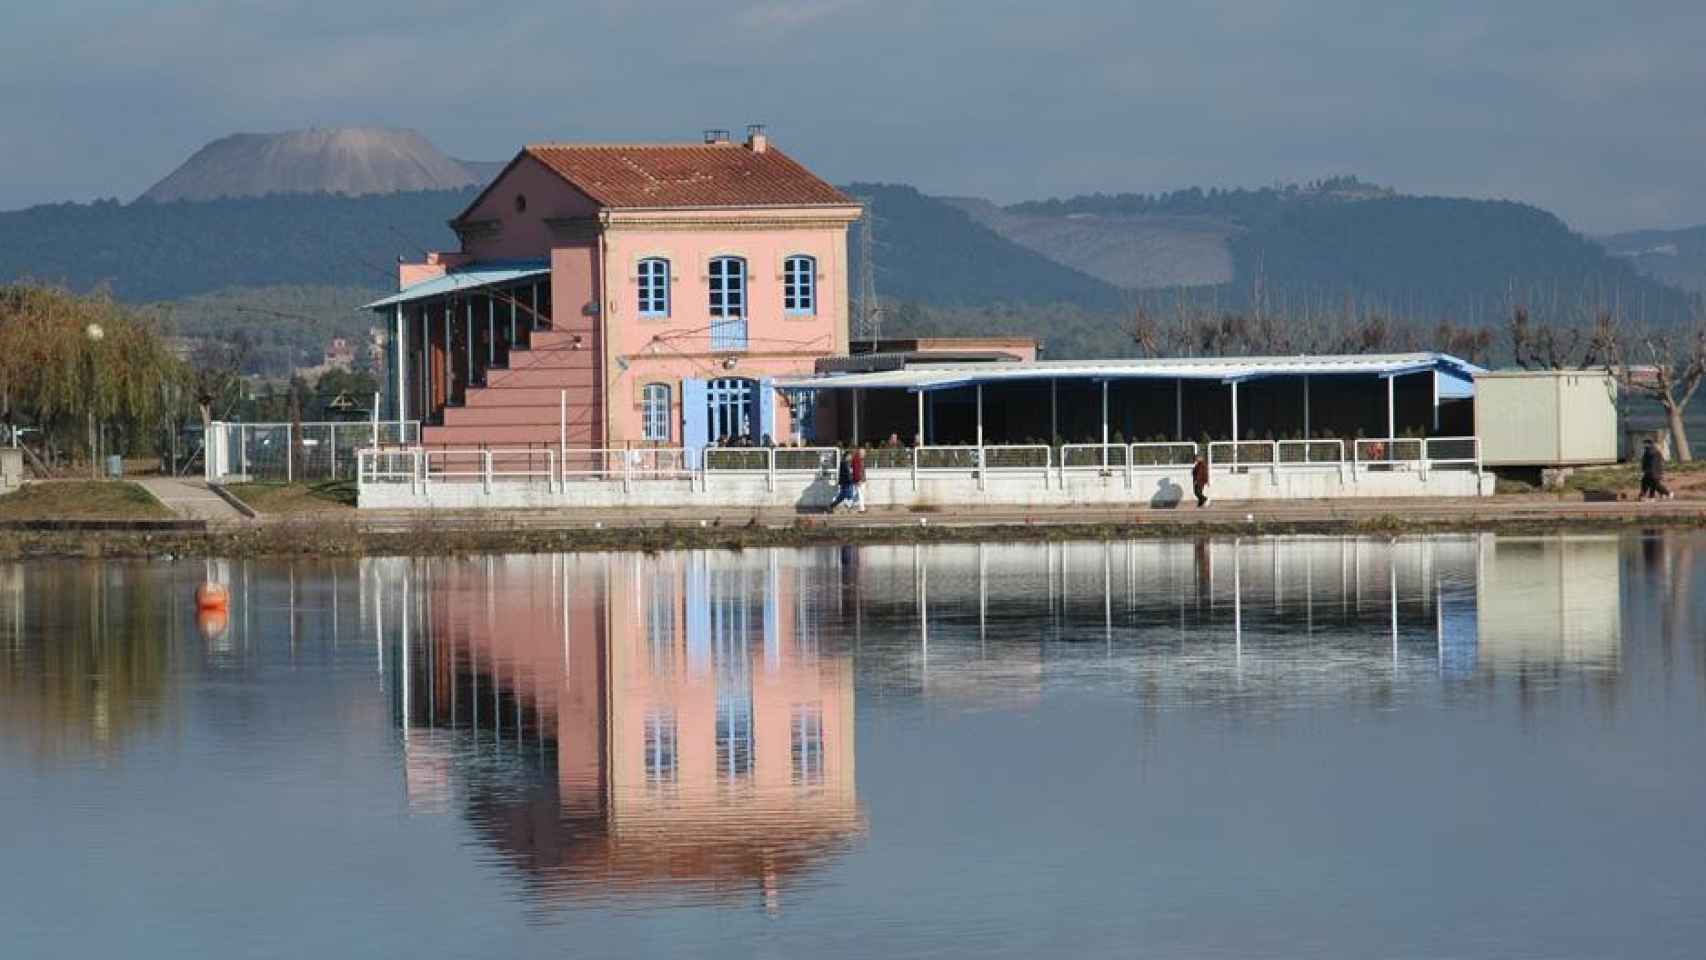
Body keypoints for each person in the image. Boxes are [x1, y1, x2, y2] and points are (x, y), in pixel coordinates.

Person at [850, 447, 867, 512]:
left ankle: (860, 507)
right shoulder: (857, 460)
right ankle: (861, 508)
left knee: (860, 494)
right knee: (861, 494)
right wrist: (858, 480)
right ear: (860, 453)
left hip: (861, 479)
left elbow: (859, 470)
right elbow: (857, 471)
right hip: (860, 480)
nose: (865, 454)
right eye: (864, 453)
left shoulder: (859, 459)